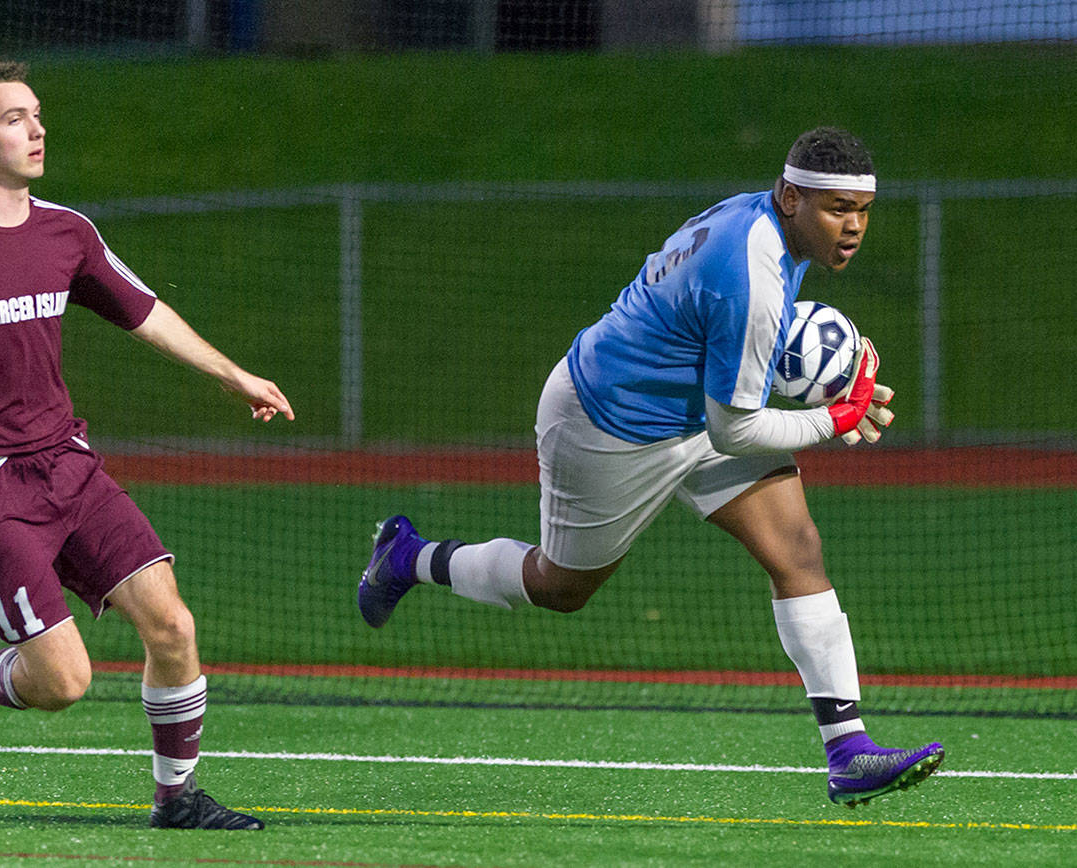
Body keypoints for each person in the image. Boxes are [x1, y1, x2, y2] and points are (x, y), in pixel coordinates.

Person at [359, 127, 943, 808]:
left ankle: (849, 752)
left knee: (798, 550)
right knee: (558, 586)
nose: (852, 227)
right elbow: (738, 429)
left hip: (691, 411)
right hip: (610, 422)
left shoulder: (762, 223)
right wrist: (834, 419)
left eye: (861, 210)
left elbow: (723, 375)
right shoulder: (750, 267)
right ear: (789, 197)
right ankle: (408, 556)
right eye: (835, 209)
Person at [0, 61, 293, 831]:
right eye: (15, 118)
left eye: (37, 114)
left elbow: (144, 310)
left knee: (174, 626)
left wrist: (233, 374)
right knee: (62, 683)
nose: (37, 128)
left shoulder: (68, 232)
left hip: (67, 462)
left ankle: (177, 799)